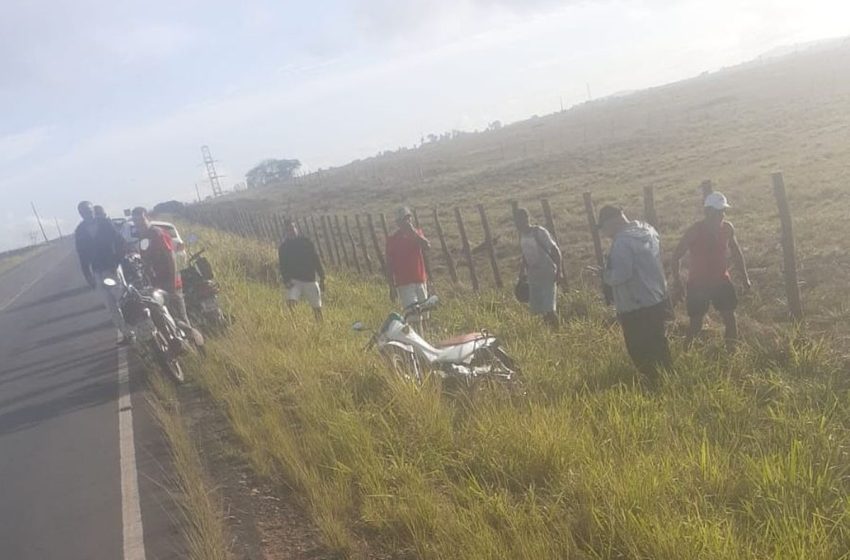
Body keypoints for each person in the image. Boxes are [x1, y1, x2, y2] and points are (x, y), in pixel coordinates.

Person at [599, 205, 671, 384]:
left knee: (638, 347)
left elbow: (622, 274)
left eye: (604, 227)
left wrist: (605, 275)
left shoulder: (622, 242)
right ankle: (668, 380)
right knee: (658, 342)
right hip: (655, 297)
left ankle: (653, 383)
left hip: (634, 303)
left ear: (611, 222)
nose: (605, 233)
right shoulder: (648, 230)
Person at [671, 191, 751, 352]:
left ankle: (732, 353)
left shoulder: (727, 228)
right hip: (697, 285)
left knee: (730, 319)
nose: (721, 215)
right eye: (717, 212)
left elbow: (736, 252)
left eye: (722, 211)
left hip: (721, 281)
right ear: (707, 212)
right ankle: (685, 355)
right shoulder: (695, 231)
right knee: (696, 325)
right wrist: (677, 282)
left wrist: (745, 278)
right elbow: (676, 256)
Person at [74, 200, 134, 345]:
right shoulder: (80, 231)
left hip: (112, 268)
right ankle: (127, 334)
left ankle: (137, 328)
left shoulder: (105, 223)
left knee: (124, 300)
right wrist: (88, 276)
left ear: (93, 210)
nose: (87, 214)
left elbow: (119, 241)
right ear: (80, 214)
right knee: (111, 307)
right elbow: (82, 256)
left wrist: (117, 261)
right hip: (97, 272)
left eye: (89, 211)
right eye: (84, 212)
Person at [131, 206, 191, 328]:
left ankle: (195, 344)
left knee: (180, 317)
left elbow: (171, 257)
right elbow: (146, 261)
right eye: (136, 220)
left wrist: (173, 283)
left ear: (147, 218)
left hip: (169, 281)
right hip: (157, 283)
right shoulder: (143, 237)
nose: (139, 223)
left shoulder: (157, 233)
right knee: (169, 319)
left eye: (141, 219)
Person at [514, 207, 563, 329]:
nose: (519, 223)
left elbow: (555, 250)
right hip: (533, 276)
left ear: (527, 219)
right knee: (540, 309)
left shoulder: (539, 232)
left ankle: (558, 332)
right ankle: (549, 333)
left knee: (549, 308)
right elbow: (525, 255)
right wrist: (521, 274)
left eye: (521, 220)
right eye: (517, 221)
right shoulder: (522, 236)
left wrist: (559, 271)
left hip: (547, 273)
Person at [385, 206, 430, 331]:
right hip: (404, 284)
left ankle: (427, 344)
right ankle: (417, 345)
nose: (407, 222)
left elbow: (427, 246)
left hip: (420, 280)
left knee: (425, 316)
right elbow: (389, 265)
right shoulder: (392, 240)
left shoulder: (417, 234)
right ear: (398, 223)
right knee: (413, 318)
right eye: (404, 220)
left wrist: (413, 233)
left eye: (408, 218)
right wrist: (391, 287)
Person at [278, 219, 325, 322]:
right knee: (291, 303)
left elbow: (316, 259)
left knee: (317, 308)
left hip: (310, 280)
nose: (292, 231)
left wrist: (322, 277)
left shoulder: (306, 242)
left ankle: (321, 327)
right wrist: (286, 280)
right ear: (285, 232)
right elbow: (282, 266)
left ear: (296, 229)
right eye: (289, 229)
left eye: (293, 228)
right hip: (294, 281)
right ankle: (294, 327)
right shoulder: (283, 248)